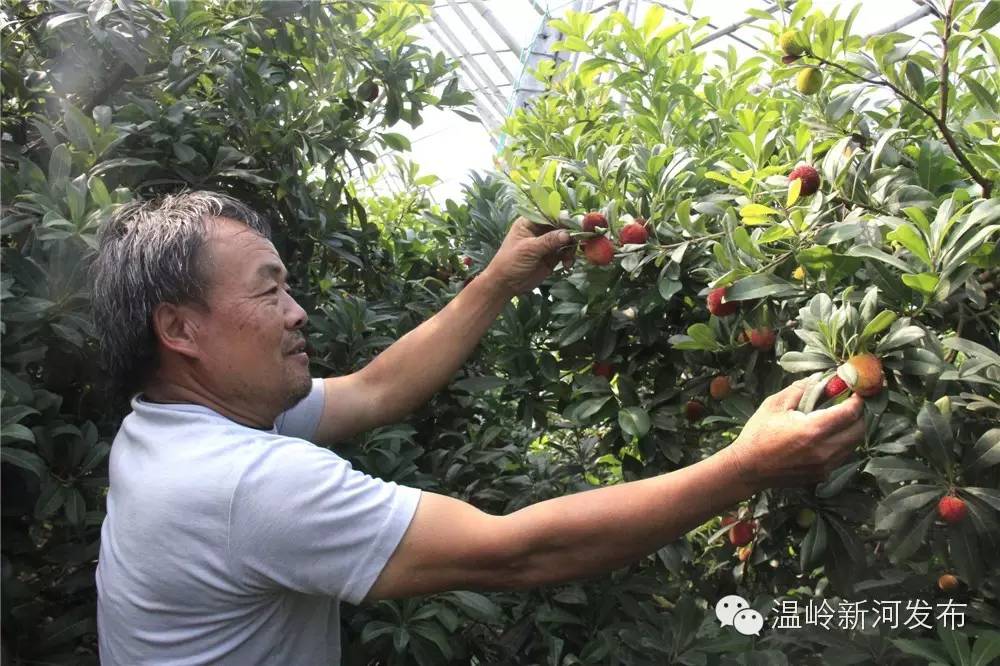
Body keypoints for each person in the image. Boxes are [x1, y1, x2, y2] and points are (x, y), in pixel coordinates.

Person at [92, 191, 865, 665]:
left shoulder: (172, 423)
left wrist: (498, 282)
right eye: (269, 293)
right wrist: (745, 466)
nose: (297, 313)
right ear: (180, 329)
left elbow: (374, 389)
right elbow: (518, 552)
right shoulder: (242, 483)